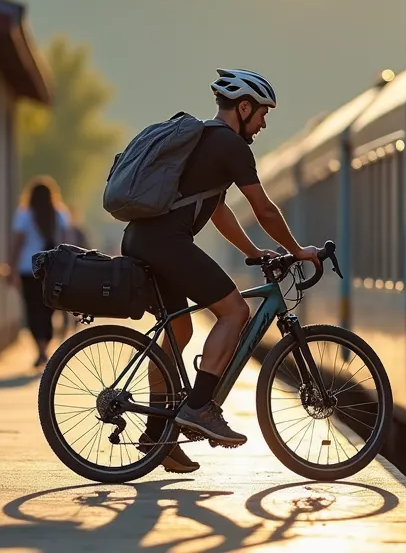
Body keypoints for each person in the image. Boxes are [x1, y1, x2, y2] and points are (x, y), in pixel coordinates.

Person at [122, 68, 323, 474]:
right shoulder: (230, 146)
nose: (264, 123)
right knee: (234, 311)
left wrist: (253, 252)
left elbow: (216, 208)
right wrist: (297, 250)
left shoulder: (205, 143)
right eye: (262, 113)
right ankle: (199, 408)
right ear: (243, 107)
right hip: (166, 244)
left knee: (179, 331)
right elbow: (263, 208)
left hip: (143, 239)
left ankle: (156, 434)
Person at [8, 177, 72, 367]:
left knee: (32, 309)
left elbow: (18, 243)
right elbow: (66, 241)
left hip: (28, 268)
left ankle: (41, 349)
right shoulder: (59, 213)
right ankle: (45, 347)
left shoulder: (24, 214)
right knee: (48, 309)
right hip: (51, 268)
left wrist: (12, 267)